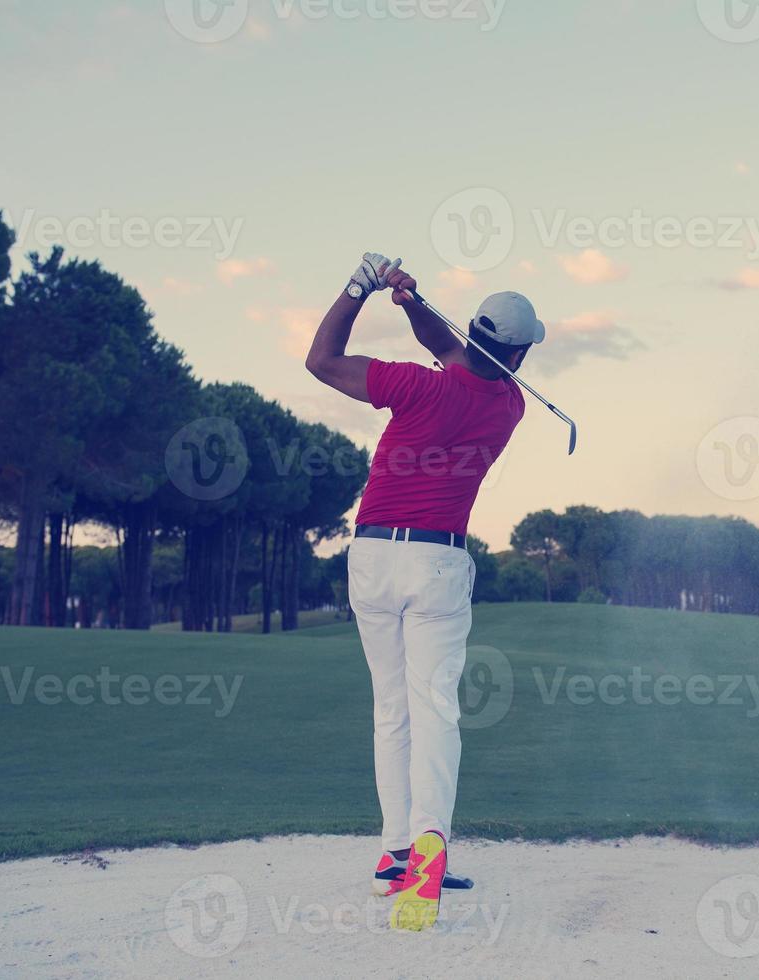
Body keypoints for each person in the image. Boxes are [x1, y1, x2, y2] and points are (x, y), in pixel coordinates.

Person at [305, 252, 546, 931]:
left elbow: (322, 360)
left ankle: (396, 855)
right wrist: (411, 303)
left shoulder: (413, 385)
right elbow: (454, 352)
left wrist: (363, 286)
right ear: (519, 354)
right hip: (437, 564)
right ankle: (427, 847)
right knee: (434, 708)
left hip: (372, 555)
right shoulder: (509, 404)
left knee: (392, 710)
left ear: (474, 333)